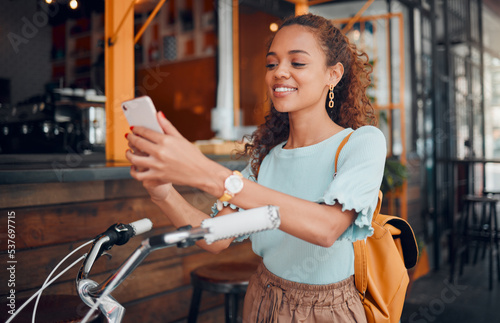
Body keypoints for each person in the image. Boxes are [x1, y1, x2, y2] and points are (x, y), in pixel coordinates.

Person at [126, 13, 386, 323]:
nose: (280, 73)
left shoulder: (362, 143)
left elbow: (326, 228)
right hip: (262, 298)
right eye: (272, 63)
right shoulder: (266, 161)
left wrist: (212, 176)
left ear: (334, 74)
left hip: (325, 310)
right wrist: (162, 193)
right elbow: (217, 239)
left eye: (297, 63)